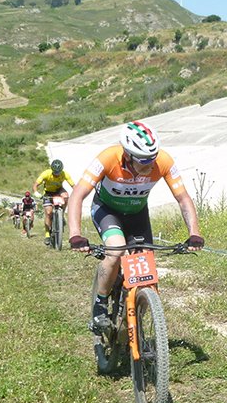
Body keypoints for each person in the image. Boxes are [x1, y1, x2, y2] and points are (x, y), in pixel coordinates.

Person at [66, 120, 204, 333]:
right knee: (116, 250)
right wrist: (75, 234)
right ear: (127, 155)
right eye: (143, 161)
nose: (149, 166)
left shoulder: (163, 161)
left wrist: (194, 233)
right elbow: (77, 195)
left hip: (137, 214)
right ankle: (100, 304)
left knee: (146, 272)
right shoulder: (107, 158)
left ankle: (132, 315)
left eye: (152, 159)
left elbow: (183, 198)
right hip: (107, 211)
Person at [34, 159, 75, 245]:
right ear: (52, 170)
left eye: (58, 172)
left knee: (66, 197)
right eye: (55, 172)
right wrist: (36, 192)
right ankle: (47, 234)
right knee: (48, 213)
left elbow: (73, 185)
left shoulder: (64, 174)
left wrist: (77, 194)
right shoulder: (46, 174)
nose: (57, 174)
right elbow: (36, 185)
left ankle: (61, 214)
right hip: (48, 192)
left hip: (58, 190)